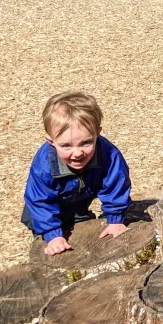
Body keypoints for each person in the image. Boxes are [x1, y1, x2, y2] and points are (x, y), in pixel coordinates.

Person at [22, 91, 133, 257]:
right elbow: (40, 200)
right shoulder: (44, 166)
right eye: (66, 146)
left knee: (84, 234)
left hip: (82, 195)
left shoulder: (108, 155)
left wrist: (115, 219)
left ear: (97, 133)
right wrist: (53, 235)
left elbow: (116, 185)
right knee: (50, 236)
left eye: (86, 143)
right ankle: (50, 235)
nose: (77, 153)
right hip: (46, 205)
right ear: (51, 141)